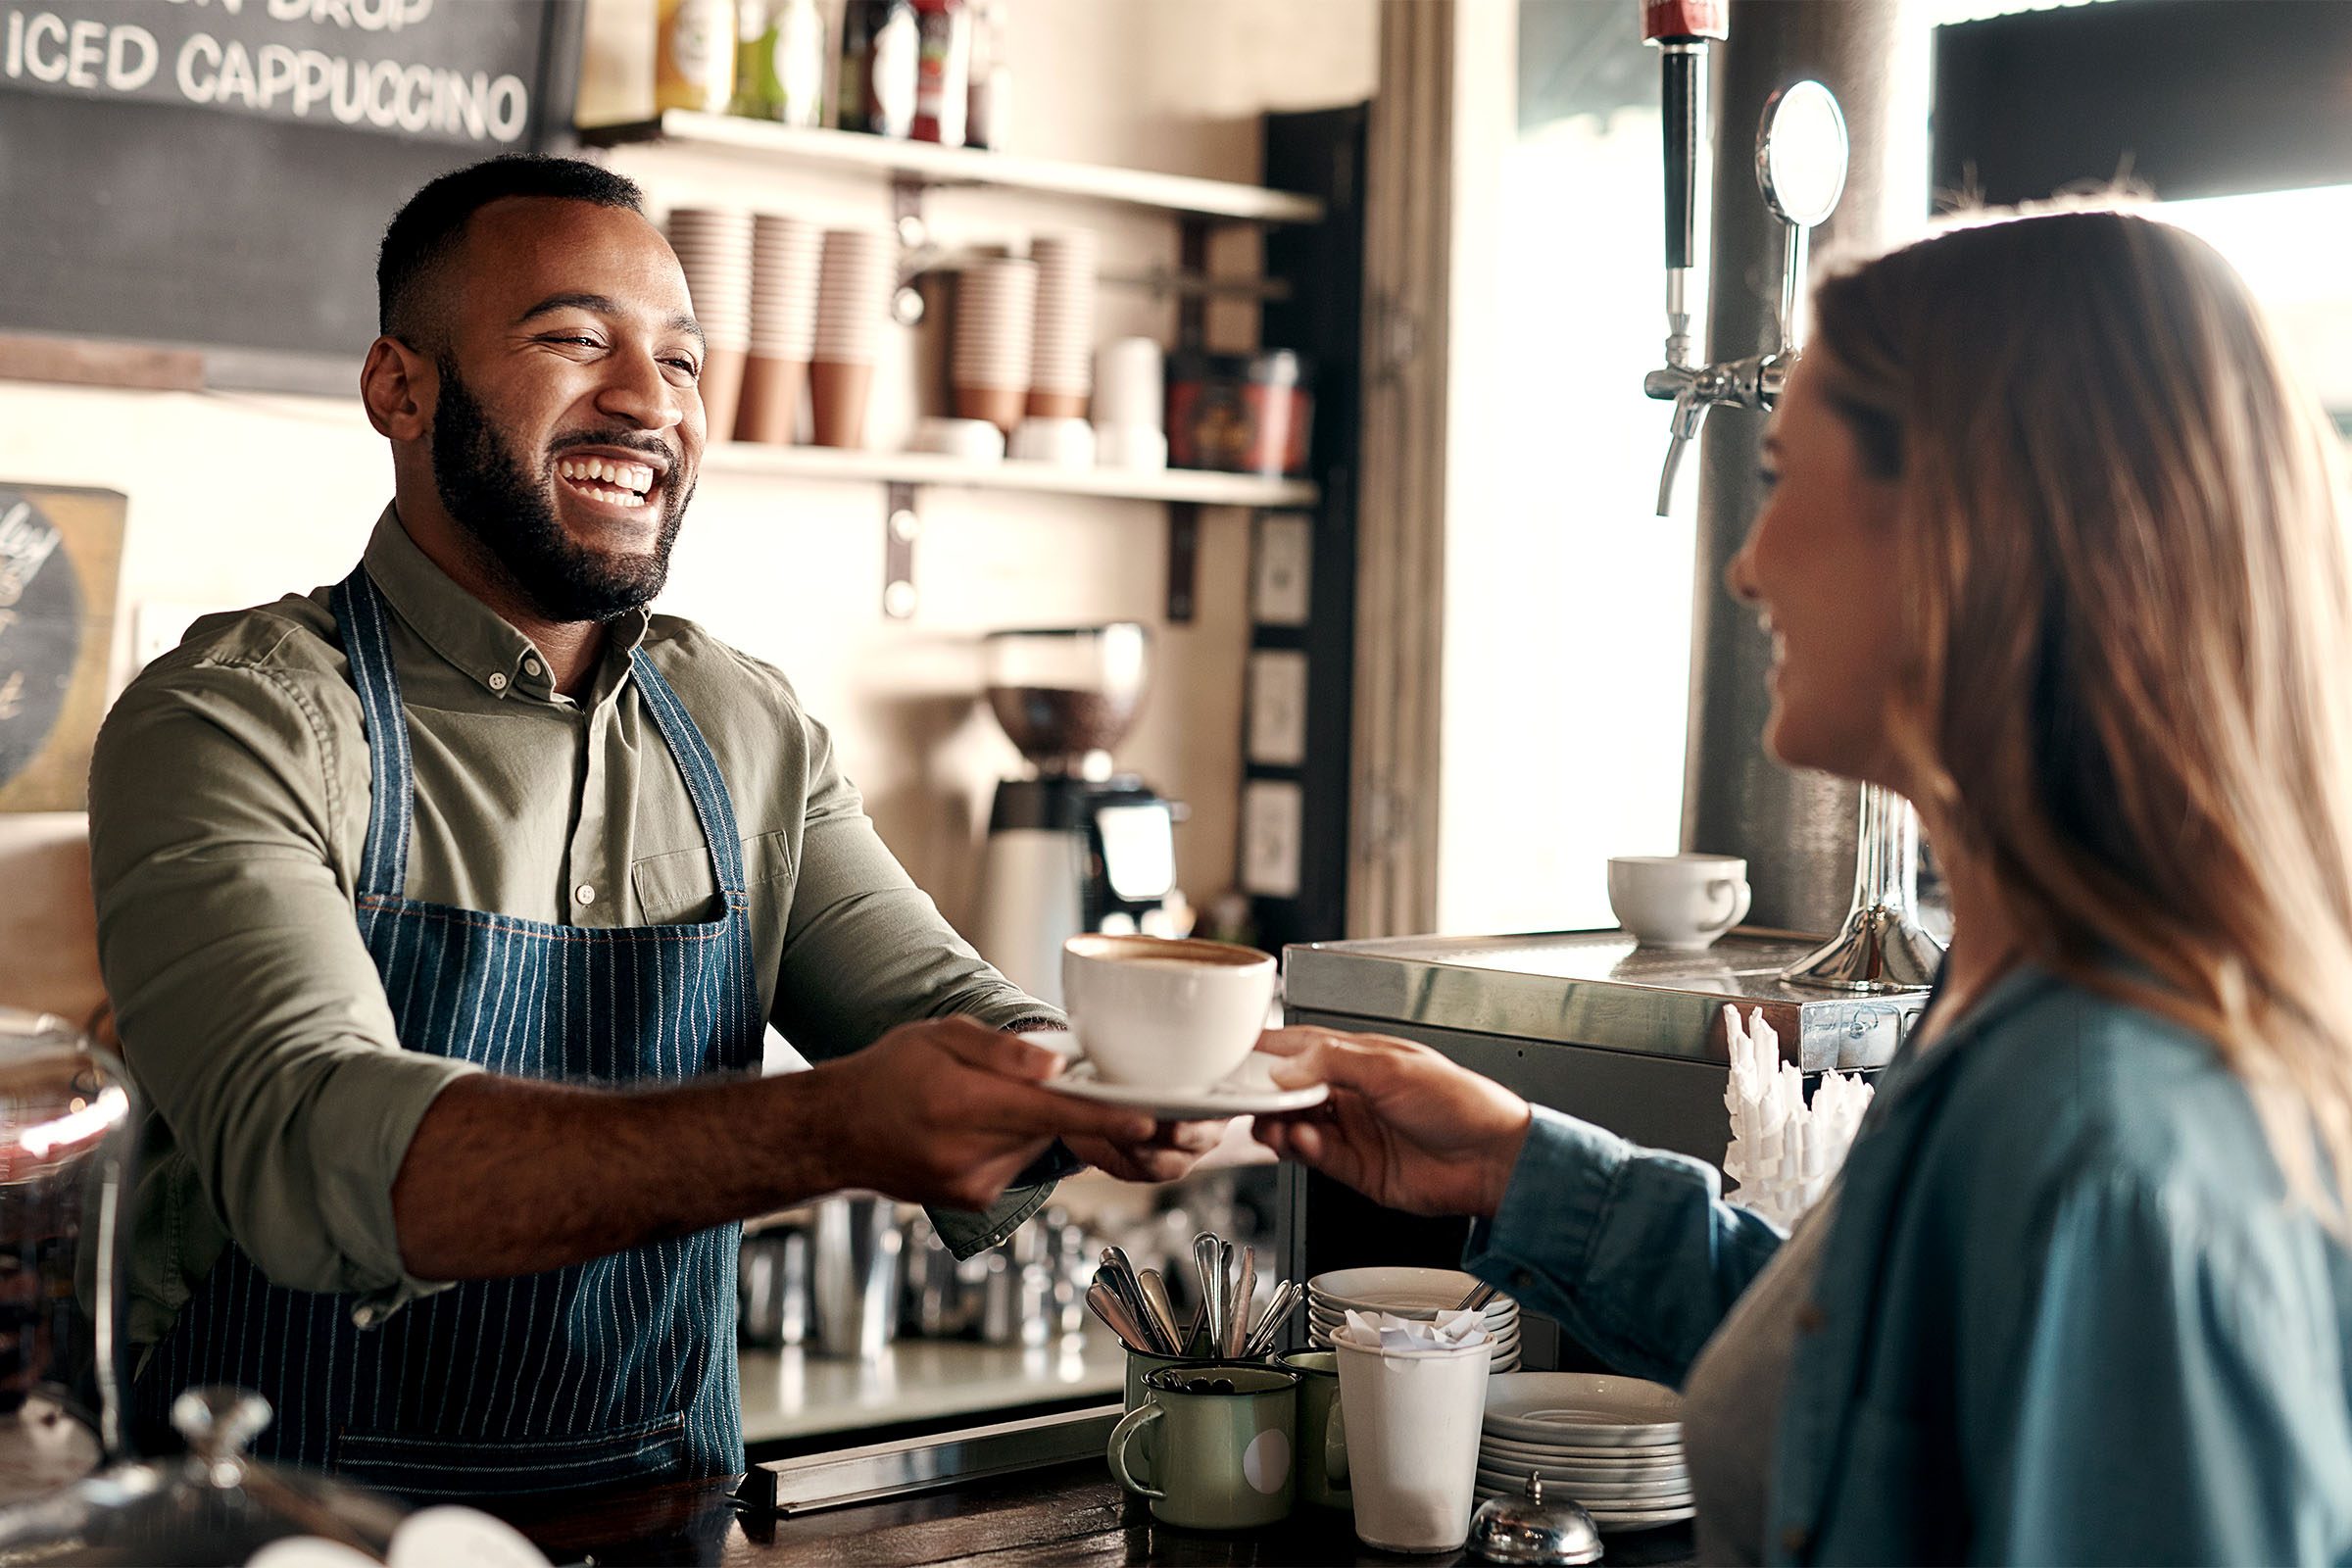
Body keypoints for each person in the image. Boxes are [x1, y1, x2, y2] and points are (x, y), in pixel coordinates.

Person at [85, 155, 1224, 1496]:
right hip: (284, 1530)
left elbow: (937, 1006)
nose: (645, 402)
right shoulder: (235, 721)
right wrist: (829, 1129)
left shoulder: (742, 726)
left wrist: (1117, 1084)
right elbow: (315, 1149)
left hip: (661, 1521)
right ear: (400, 386)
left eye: (681, 364)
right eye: (575, 340)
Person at [1256, 209, 2352, 1563]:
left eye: (1782, 479)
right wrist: (1516, 1167)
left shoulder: (2103, 1148)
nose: (1749, 562)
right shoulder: (2005, 1003)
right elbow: (1871, 1403)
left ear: (1968, 531)